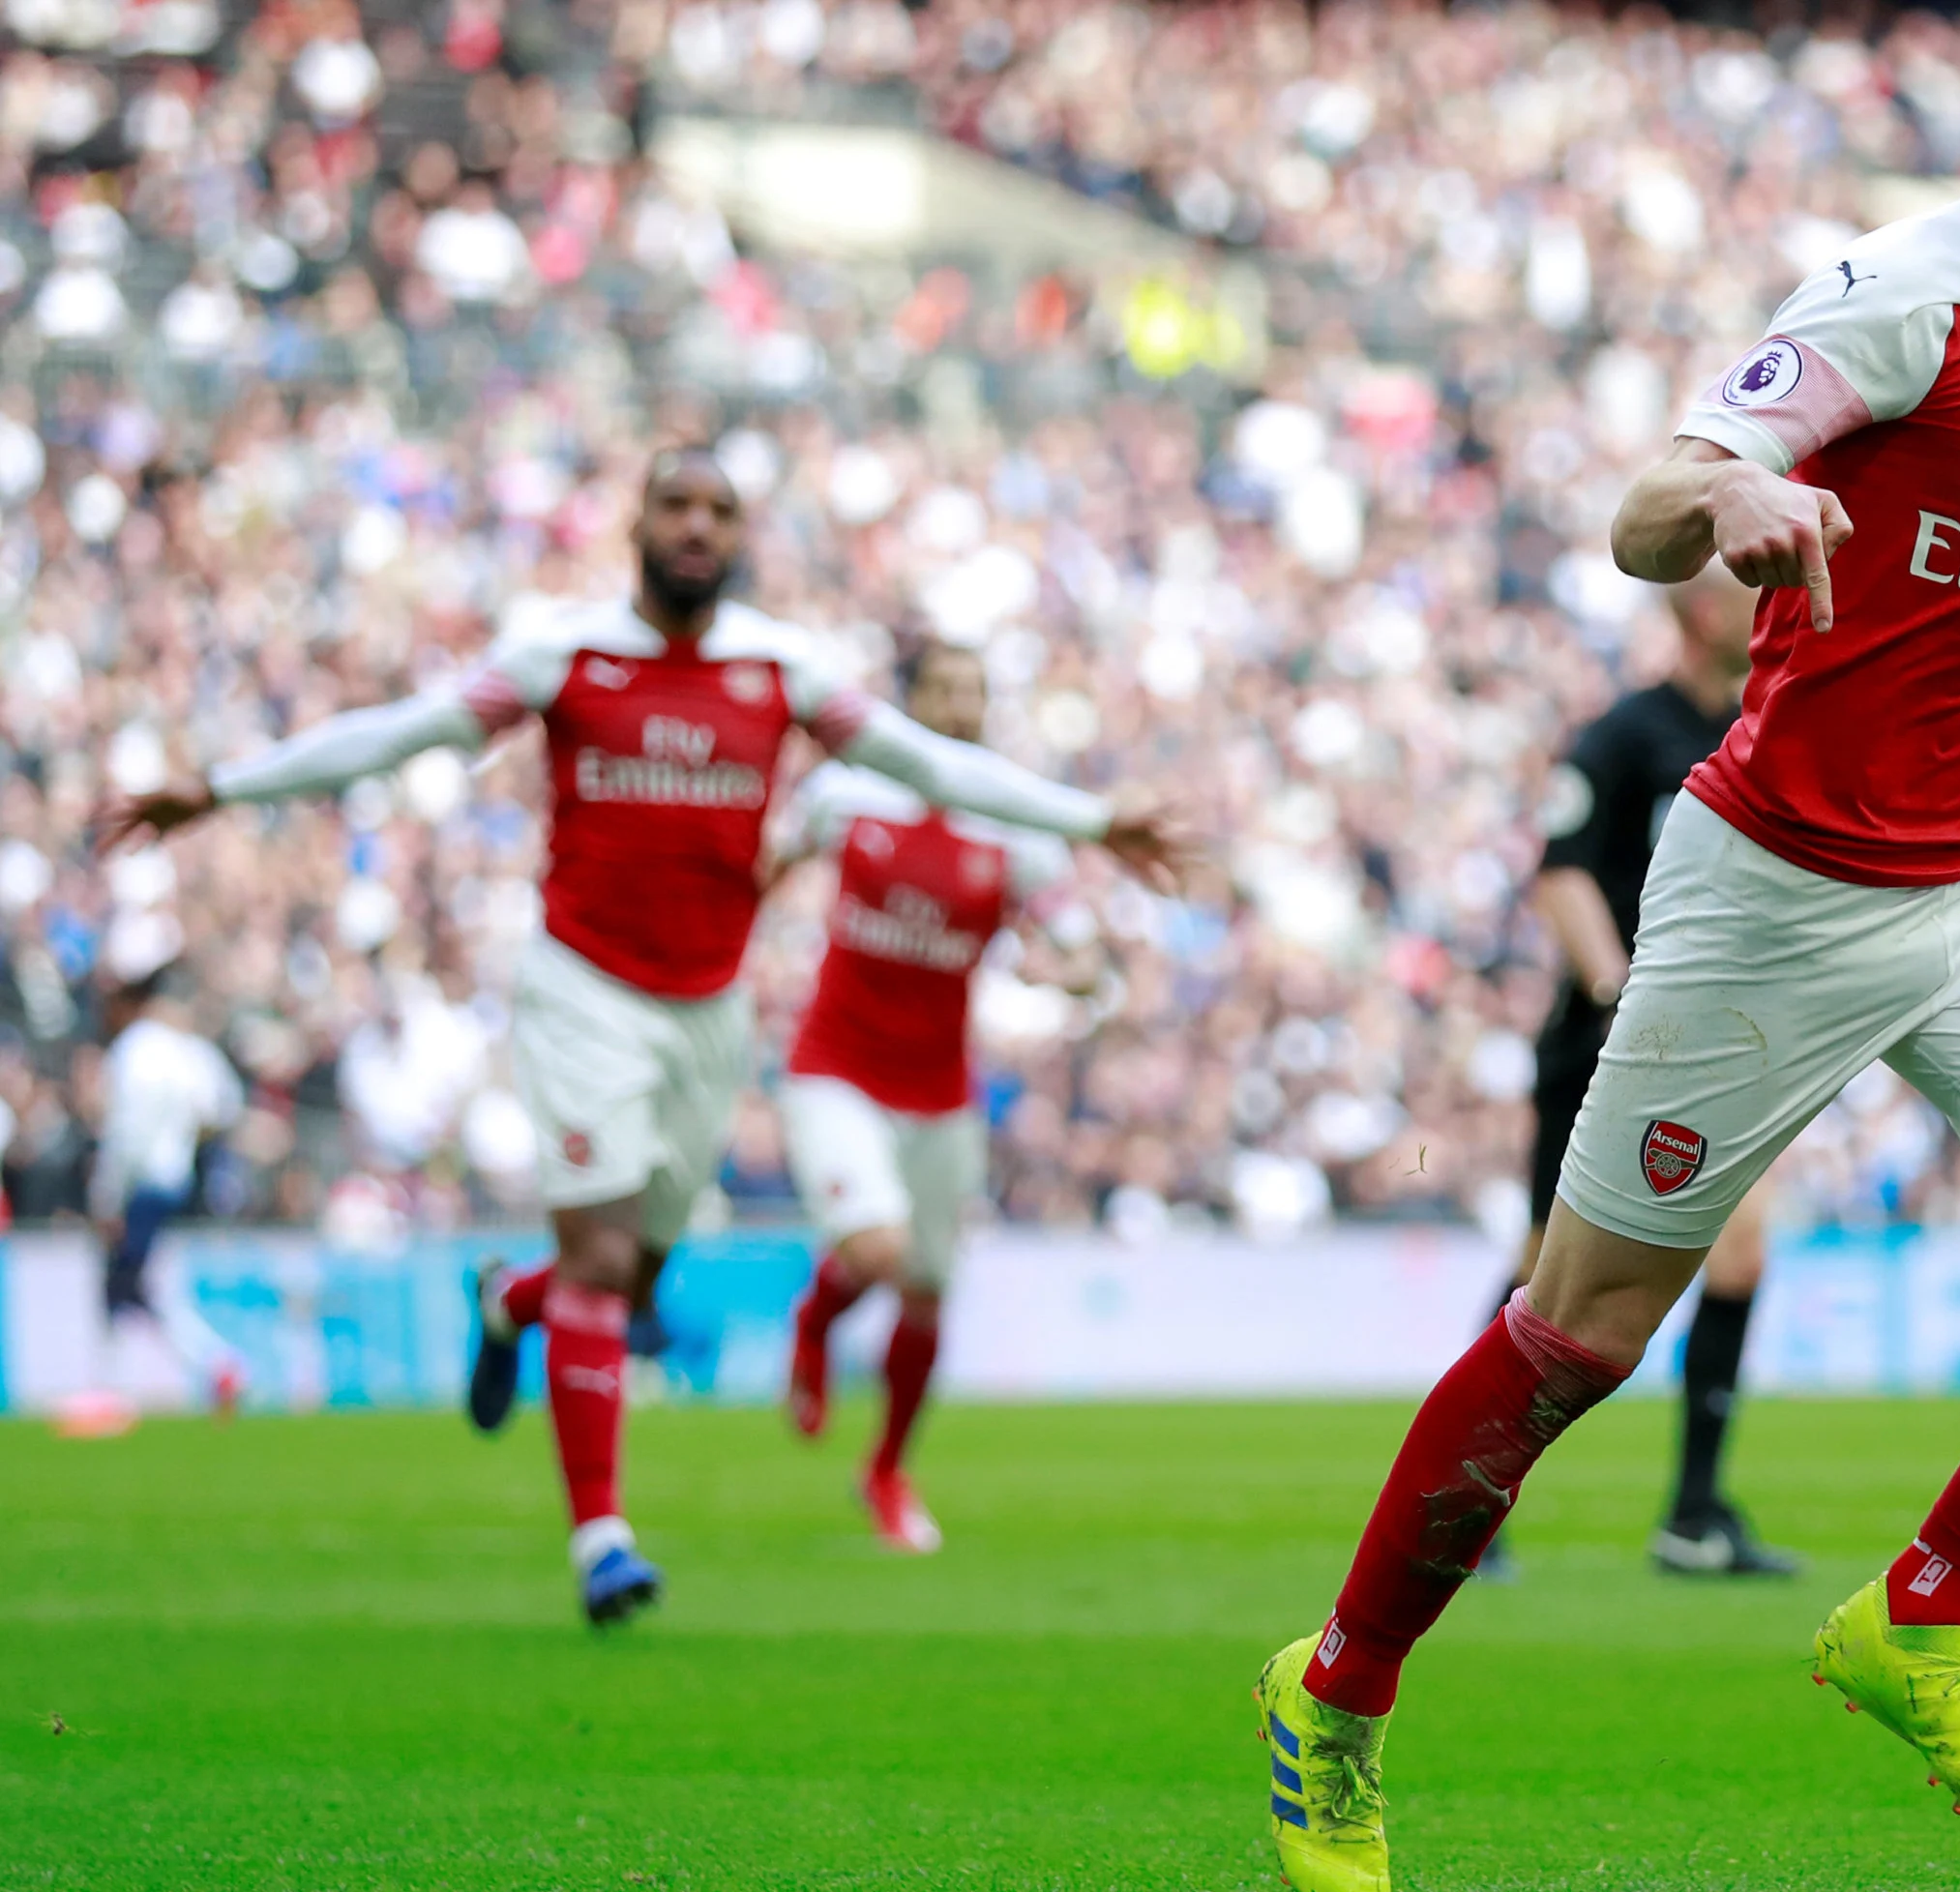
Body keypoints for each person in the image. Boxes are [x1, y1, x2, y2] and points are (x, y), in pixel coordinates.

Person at [1250, 1, 1960, 1892]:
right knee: (1578, 1340)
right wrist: (1745, 493)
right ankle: (1335, 1688)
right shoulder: (1893, 294)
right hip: (1773, 891)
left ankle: (1923, 1614)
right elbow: (1647, 507)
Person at [98, 451, 1180, 1626]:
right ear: (637, 528)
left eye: (721, 510)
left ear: (740, 536)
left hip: (705, 1011)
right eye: (678, 505)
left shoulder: (780, 668)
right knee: (608, 1261)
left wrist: (1094, 822)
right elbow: (401, 734)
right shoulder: (564, 657)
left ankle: (512, 1304)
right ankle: (601, 1536)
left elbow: (927, 763)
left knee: (635, 1268)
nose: (698, 527)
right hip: (581, 992)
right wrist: (219, 788)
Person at [1481, 566, 1792, 1582]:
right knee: (1544, 1270)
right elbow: (1563, 865)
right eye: (1753, 590)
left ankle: (1693, 1516)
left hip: (1719, 1041)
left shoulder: (1769, 725)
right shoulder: (1624, 733)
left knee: (1740, 1251)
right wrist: (1613, 981)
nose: (1773, 602)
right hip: (1607, 1038)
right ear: (1703, 613)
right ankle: (1464, 1499)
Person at [771, 639, 1104, 1554]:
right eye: (945, 691)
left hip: (938, 1087)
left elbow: (1074, 938)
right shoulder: (846, 792)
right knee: (877, 1250)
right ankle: (815, 1320)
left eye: (975, 693)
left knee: (925, 1292)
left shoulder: (1010, 820)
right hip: (836, 1066)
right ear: (908, 701)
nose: (962, 708)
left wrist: (1075, 972)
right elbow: (767, 862)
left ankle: (884, 1469)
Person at [64, 928, 247, 1435]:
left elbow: (126, 1136)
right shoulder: (180, 1048)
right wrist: (187, 1137)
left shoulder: (133, 1052)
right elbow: (221, 1104)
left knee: (119, 1285)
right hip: (174, 1177)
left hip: (141, 1182)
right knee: (132, 1286)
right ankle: (214, 1366)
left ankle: (111, 1393)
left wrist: (107, 1198)